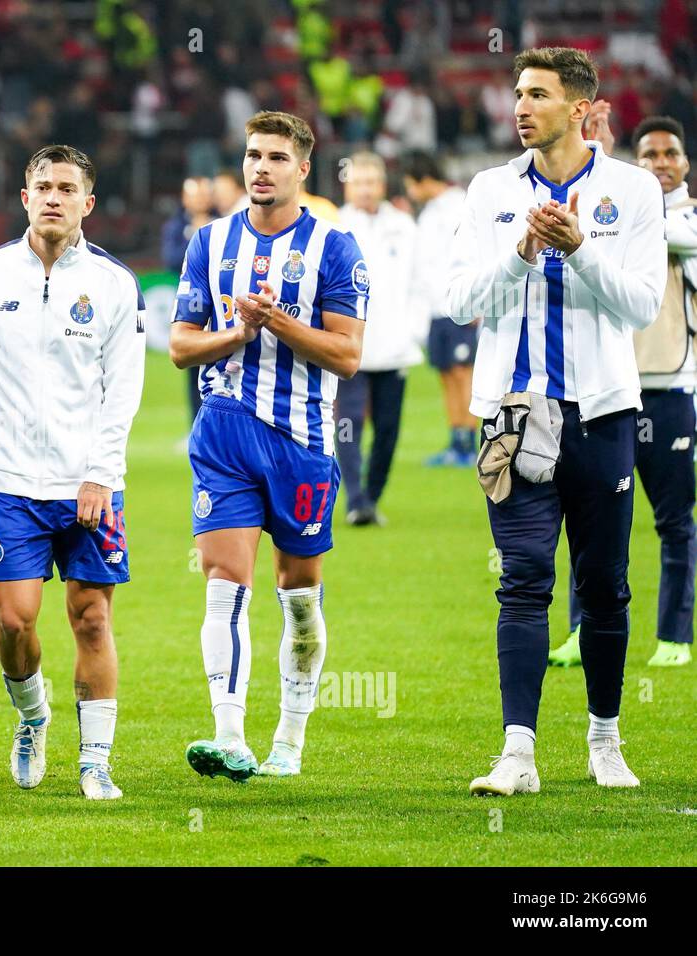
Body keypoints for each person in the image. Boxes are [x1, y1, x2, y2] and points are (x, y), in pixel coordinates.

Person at [447, 49, 665, 797]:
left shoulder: (631, 191)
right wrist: (521, 252)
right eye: (517, 93)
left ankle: (605, 737)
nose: (520, 106)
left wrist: (578, 253)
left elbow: (641, 305)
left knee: (604, 585)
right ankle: (518, 752)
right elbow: (454, 296)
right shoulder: (488, 190)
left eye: (537, 94)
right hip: (512, 416)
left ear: (580, 108)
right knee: (523, 580)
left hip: (601, 415)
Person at [0, 144, 146, 800]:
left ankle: (95, 761)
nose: (54, 197)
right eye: (43, 187)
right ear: (24, 198)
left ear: (87, 202)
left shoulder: (114, 284)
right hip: (9, 483)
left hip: (89, 483)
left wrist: (101, 476)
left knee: (90, 618)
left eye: (67, 188)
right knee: (16, 621)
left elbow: (124, 388)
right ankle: (33, 718)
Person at [169, 111, 368, 781]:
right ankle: (231, 736)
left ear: (303, 169)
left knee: (300, 597)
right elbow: (179, 344)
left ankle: (290, 736)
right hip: (224, 431)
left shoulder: (335, 248)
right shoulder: (209, 241)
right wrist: (233, 336)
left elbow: (347, 356)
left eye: (277, 157)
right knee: (225, 586)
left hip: (304, 440)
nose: (261, 167)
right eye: (254, 154)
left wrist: (276, 320)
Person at [551, 115, 697, 670]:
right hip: (604, 387)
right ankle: (577, 630)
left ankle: (674, 636)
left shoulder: (681, 216)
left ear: (684, 163)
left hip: (666, 385)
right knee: (586, 518)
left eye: (670, 154)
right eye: (649, 155)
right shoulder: (612, 210)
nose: (660, 163)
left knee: (674, 519)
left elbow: (666, 236)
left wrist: (611, 177)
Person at [335, 152, 420, 526]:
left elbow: (421, 282)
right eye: (358, 182)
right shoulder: (334, 227)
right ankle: (355, 499)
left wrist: (413, 329)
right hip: (350, 347)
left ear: (382, 185)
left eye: (372, 182)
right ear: (347, 185)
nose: (366, 189)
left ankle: (372, 496)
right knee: (347, 425)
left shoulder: (403, 225)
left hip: (394, 346)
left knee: (387, 429)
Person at [403, 151, 474, 467]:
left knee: (463, 374)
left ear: (421, 179)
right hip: (435, 308)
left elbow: (474, 253)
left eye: (409, 183)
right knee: (446, 373)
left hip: (460, 305)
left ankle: (470, 444)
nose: (408, 191)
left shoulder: (462, 204)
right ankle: (455, 440)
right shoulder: (429, 211)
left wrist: (475, 301)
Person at [162, 176, 214, 422]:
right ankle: (195, 425)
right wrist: (194, 238)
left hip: (219, 310)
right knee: (192, 367)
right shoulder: (175, 226)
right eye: (194, 195)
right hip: (190, 309)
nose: (200, 200)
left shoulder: (223, 221)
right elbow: (170, 258)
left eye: (204, 194)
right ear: (185, 199)